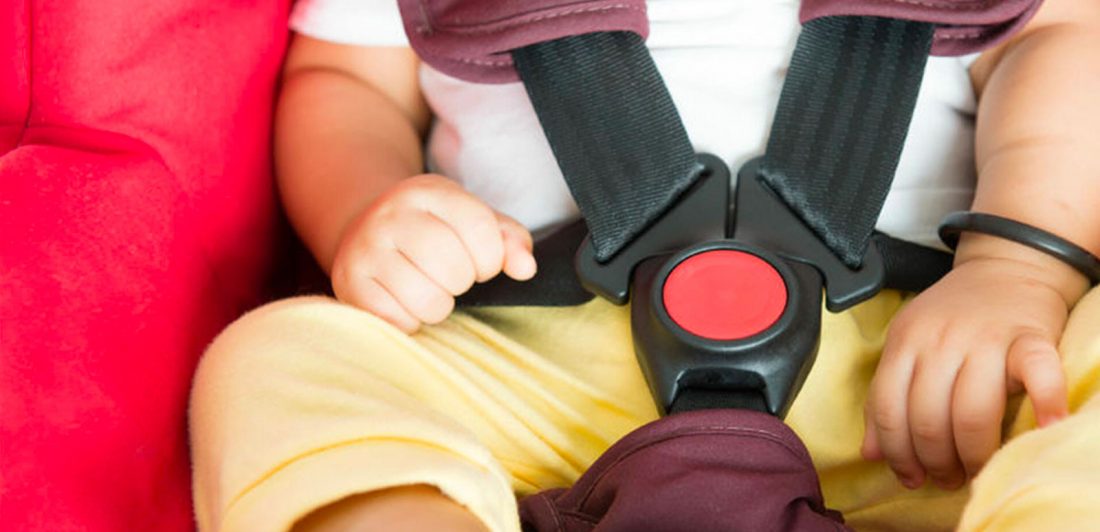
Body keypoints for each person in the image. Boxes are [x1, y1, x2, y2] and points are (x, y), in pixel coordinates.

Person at [189, 0, 1100, 530]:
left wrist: (1019, 265)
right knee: (280, 358)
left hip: (921, 380)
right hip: (528, 376)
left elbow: (1062, 41)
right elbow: (344, 84)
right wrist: (368, 205)